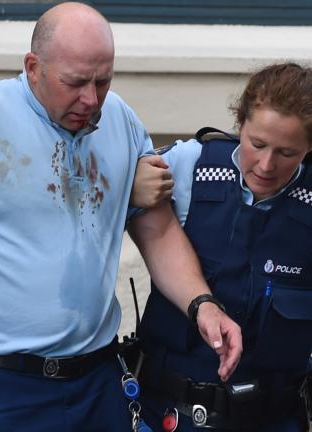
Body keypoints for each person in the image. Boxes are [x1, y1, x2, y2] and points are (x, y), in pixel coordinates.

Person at [0, 1, 242, 431]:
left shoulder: (120, 120)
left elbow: (158, 229)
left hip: (99, 380)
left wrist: (202, 304)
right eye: (75, 82)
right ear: (33, 66)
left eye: (103, 81)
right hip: (0, 386)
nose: (91, 99)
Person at [133, 63, 312, 431]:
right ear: (239, 123)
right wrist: (128, 186)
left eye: (287, 152)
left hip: (272, 417)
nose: (265, 164)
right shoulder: (190, 165)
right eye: (256, 144)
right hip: (165, 412)